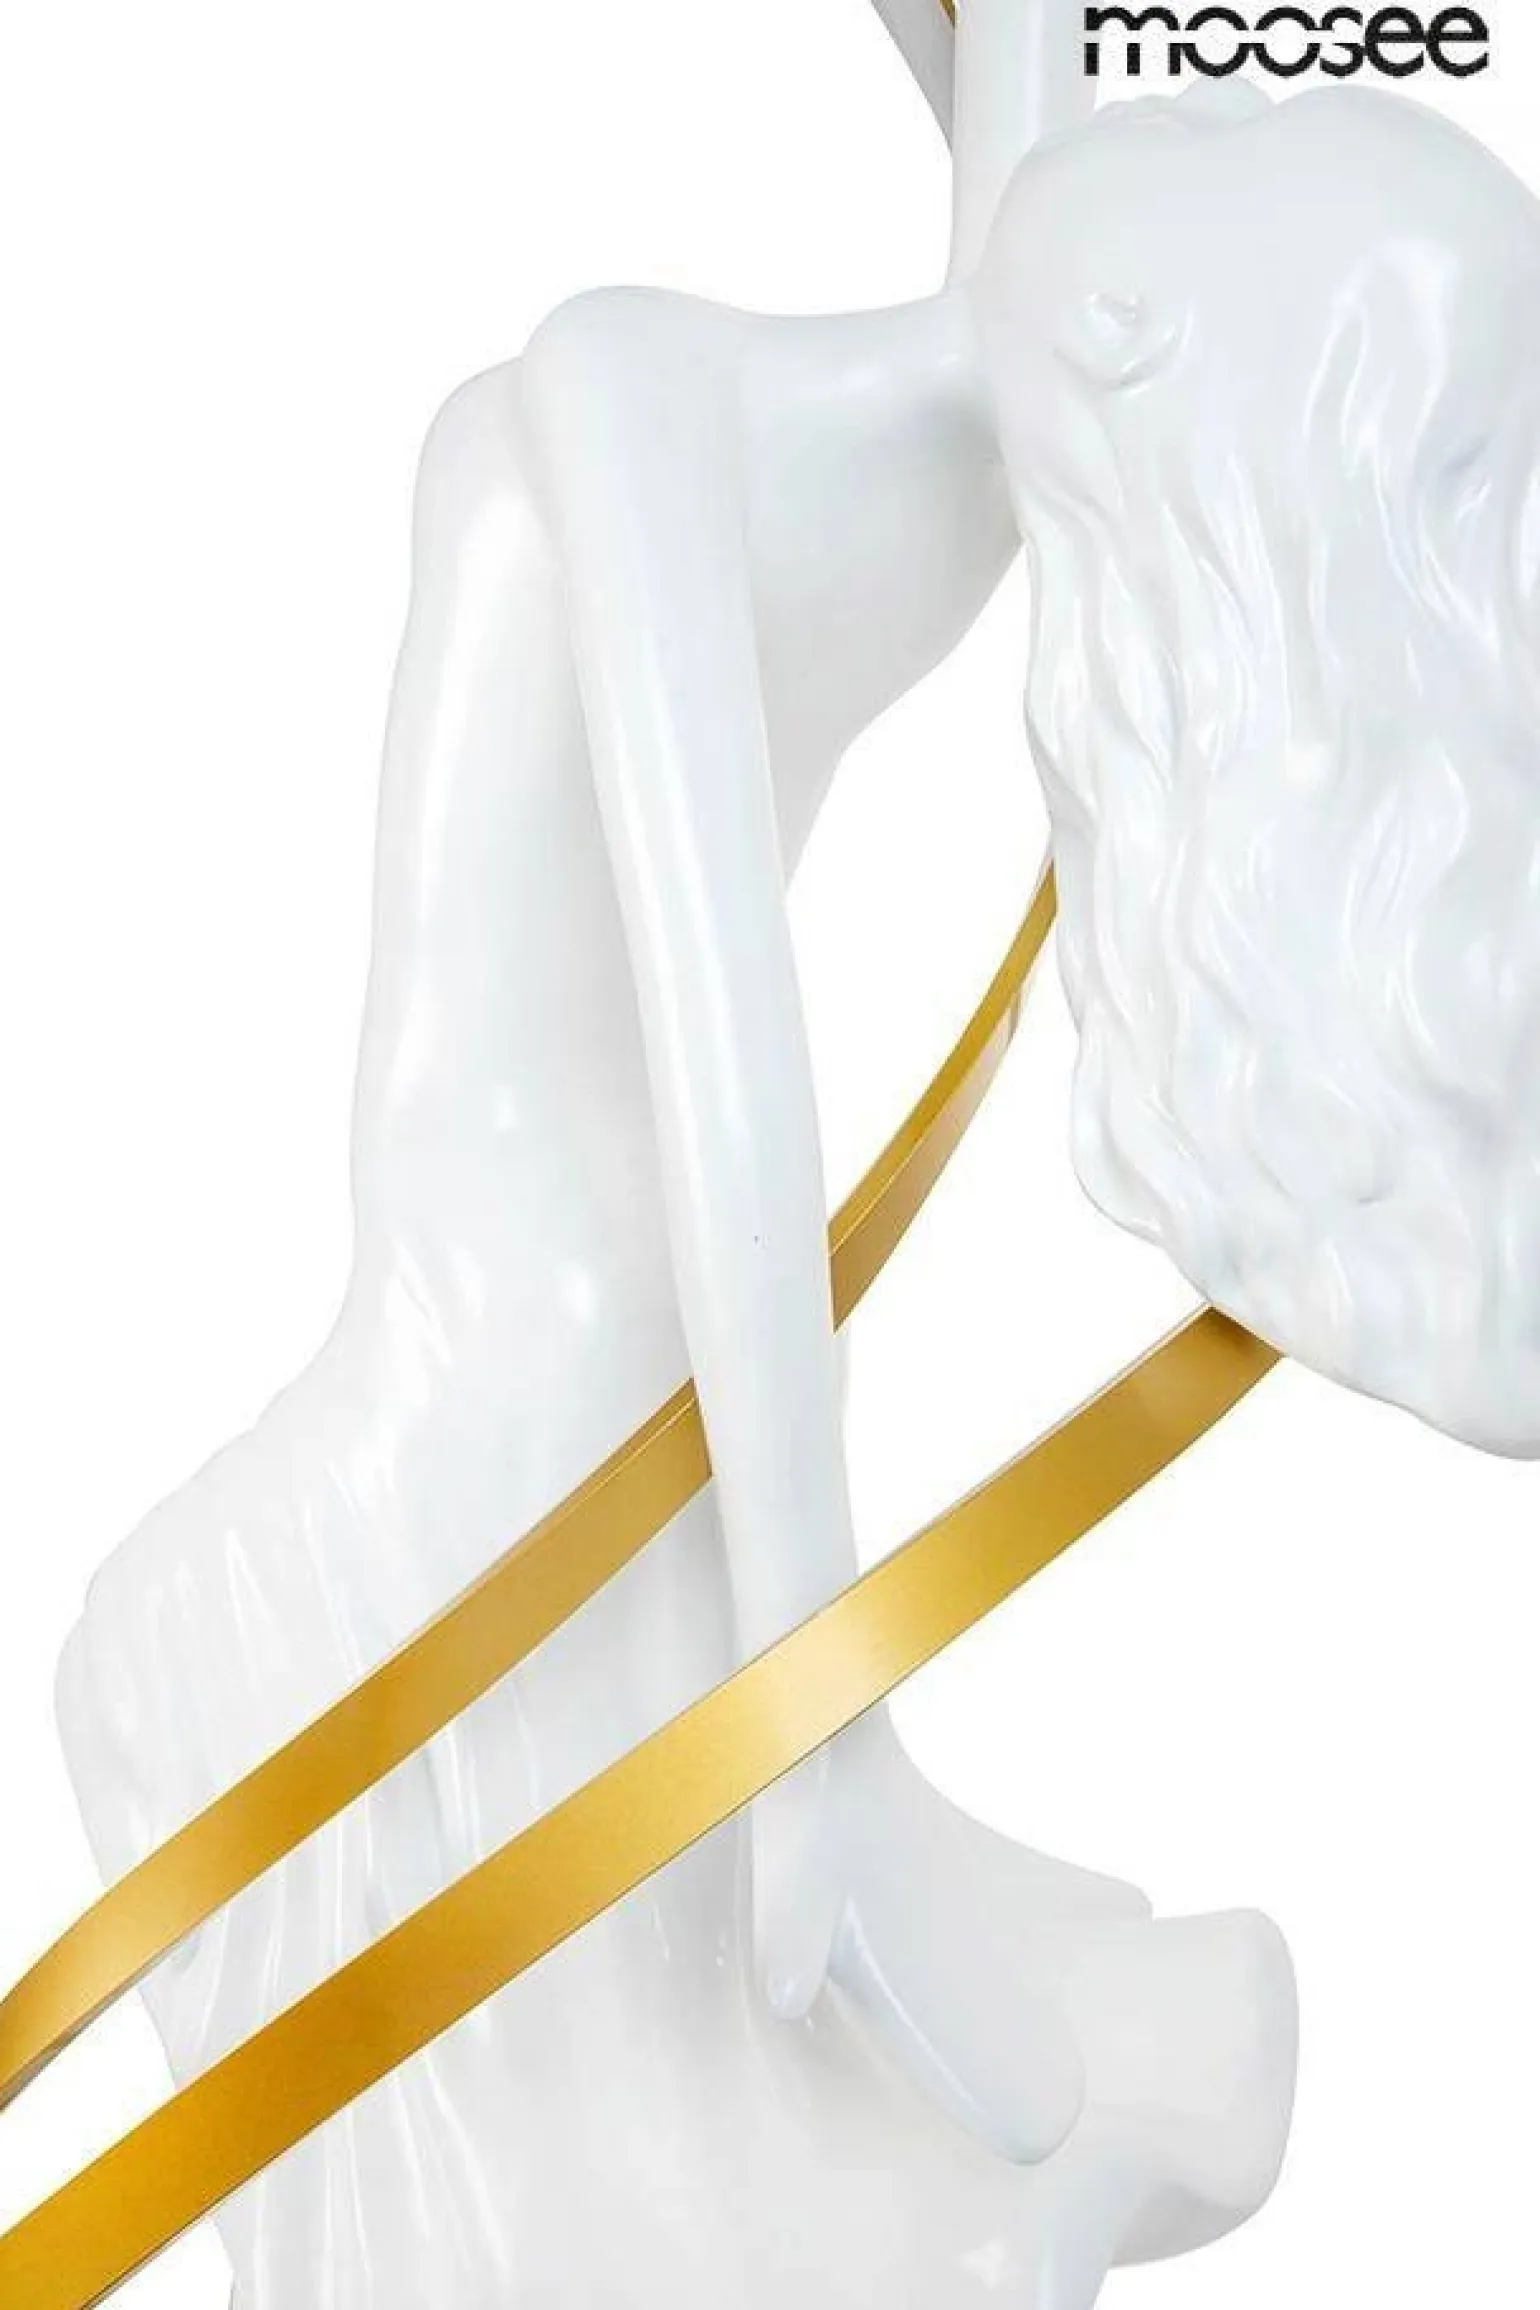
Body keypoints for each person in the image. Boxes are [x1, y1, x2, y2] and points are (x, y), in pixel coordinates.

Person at [57, 6, 1295, 2304]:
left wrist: (808, 1704)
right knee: (195, 1727)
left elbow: (743, 1072)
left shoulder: (642, 390)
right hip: (529, 1357)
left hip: (545, 1383)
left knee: (272, 1789)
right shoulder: (743, 420)